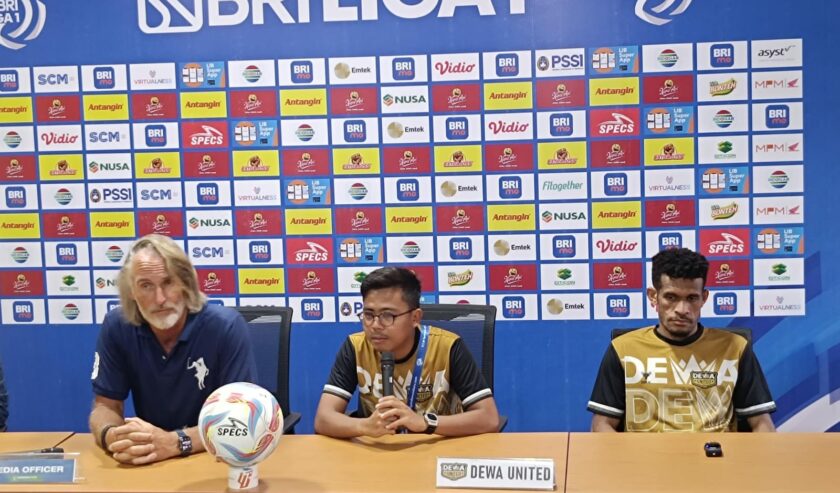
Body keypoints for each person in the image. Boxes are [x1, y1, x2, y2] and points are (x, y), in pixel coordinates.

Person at [89, 234, 257, 465]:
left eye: (168, 282)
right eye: (146, 286)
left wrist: (174, 442)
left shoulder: (225, 327)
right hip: (152, 461)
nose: (160, 299)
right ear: (131, 293)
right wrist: (113, 436)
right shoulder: (117, 326)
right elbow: (105, 406)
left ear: (186, 284)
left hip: (211, 459)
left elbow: (240, 418)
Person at [588, 248, 776, 432]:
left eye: (692, 298)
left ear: (704, 298)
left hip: (714, 459)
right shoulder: (623, 349)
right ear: (654, 296)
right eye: (671, 297)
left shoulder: (735, 348)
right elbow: (602, 424)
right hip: (646, 460)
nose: (682, 309)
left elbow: (761, 423)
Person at [315, 267, 500, 438]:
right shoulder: (356, 346)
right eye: (369, 315)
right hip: (378, 455)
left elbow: (489, 418)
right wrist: (364, 426)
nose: (375, 326)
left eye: (388, 316)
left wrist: (425, 422)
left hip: (436, 451)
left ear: (415, 317)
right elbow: (323, 418)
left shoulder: (448, 346)